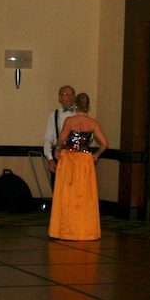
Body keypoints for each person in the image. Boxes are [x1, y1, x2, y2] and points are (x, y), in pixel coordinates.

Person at [48, 93, 108, 241]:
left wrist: (56, 149)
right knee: (84, 196)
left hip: (70, 159)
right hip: (84, 161)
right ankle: (85, 230)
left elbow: (62, 138)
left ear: (76, 105)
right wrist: (96, 155)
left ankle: (65, 230)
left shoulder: (70, 121)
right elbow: (105, 143)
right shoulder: (93, 123)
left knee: (67, 194)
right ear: (88, 106)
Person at [43, 85, 76, 187]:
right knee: (59, 188)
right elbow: (48, 138)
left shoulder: (80, 115)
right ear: (60, 98)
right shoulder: (54, 115)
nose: (69, 97)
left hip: (76, 156)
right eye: (65, 94)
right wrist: (50, 158)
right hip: (59, 156)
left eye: (71, 94)